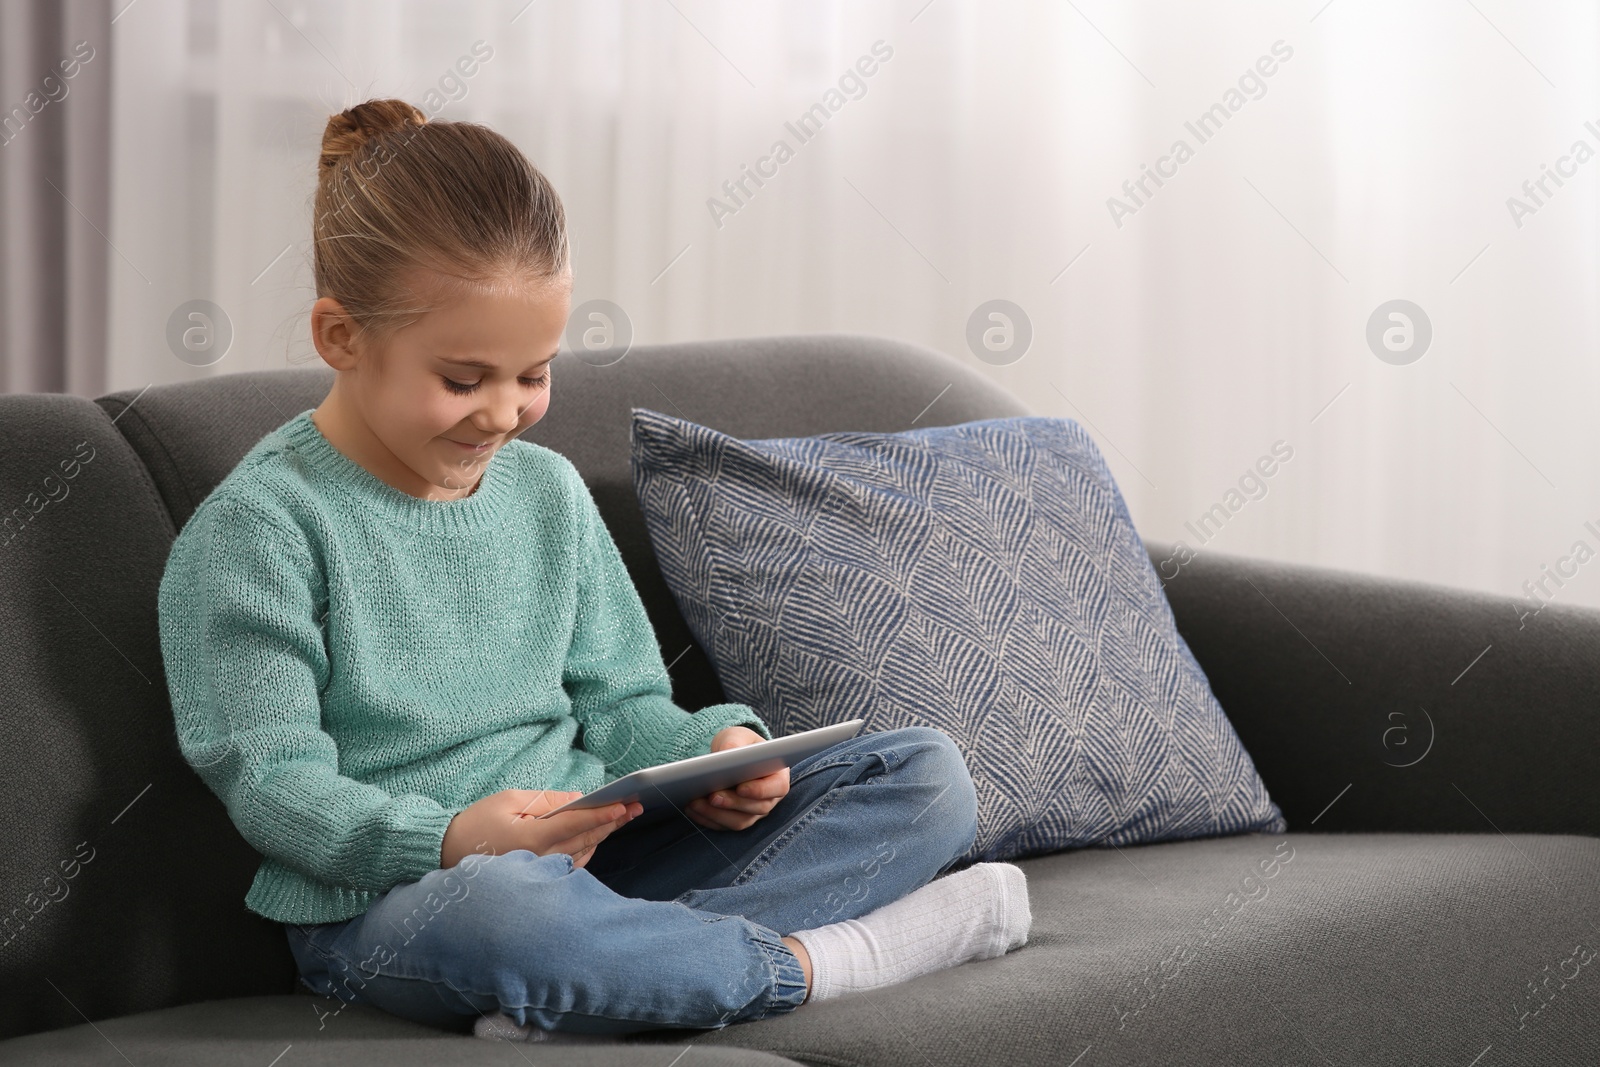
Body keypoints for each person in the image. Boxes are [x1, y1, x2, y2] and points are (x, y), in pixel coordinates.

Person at [156, 97, 1031, 1042]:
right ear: (341, 337)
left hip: (602, 859)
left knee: (924, 774)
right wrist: (453, 838)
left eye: (533, 373)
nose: (504, 413)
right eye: (462, 379)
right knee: (506, 910)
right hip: (396, 902)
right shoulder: (259, 530)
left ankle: (605, 982)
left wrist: (713, 752)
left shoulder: (547, 492)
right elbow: (275, 787)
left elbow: (623, 708)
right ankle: (824, 962)